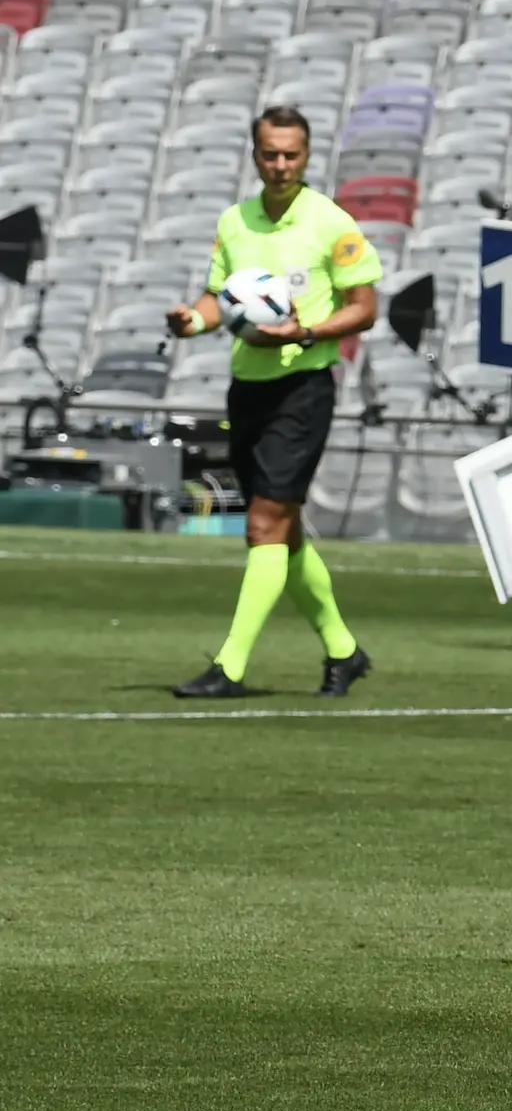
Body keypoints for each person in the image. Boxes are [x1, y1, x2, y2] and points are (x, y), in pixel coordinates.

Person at [162, 108, 379, 700]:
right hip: (248, 387)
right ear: (255, 155)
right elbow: (218, 302)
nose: (281, 165)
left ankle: (229, 667)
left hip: (304, 388)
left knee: (263, 525)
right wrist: (190, 321)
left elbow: (365, 307)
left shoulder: (331, 223)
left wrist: (307, 333)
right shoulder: (235, 222)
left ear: (308, 156)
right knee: (280, 533)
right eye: (270, 154)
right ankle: (344, 650)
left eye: (291, 154)